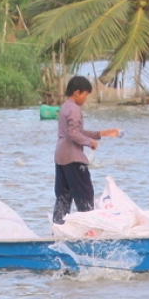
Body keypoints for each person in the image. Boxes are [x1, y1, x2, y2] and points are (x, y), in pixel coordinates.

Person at [53, 76, 120, 224]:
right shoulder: (74, 109)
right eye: (85, 95)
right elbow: (73, 133)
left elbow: (77, 131)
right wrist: (90, 142)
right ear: (77, 92)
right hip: (73, 157)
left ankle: (58, 226)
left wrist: (101, 134)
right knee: (85, 194)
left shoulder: (65, 107)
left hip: (61, 156)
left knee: (63, 196)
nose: (85, 98)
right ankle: (88, 228)